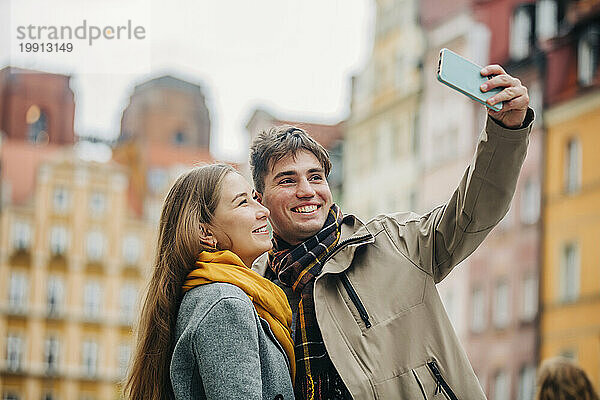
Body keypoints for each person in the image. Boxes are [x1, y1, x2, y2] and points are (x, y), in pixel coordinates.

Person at [249, 64, 535, 400]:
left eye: (315, 177)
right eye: (287, 180)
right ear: (260, 199)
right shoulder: (257, 291)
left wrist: (505, 130)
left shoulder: (395, 243)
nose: (307, 191)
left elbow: (474, 211)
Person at [124, 164, 295, 400]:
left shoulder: (210, 294)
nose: (263, 210)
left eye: (255, 198)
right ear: (206, 233)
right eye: (243, 202)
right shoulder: (225, 304)